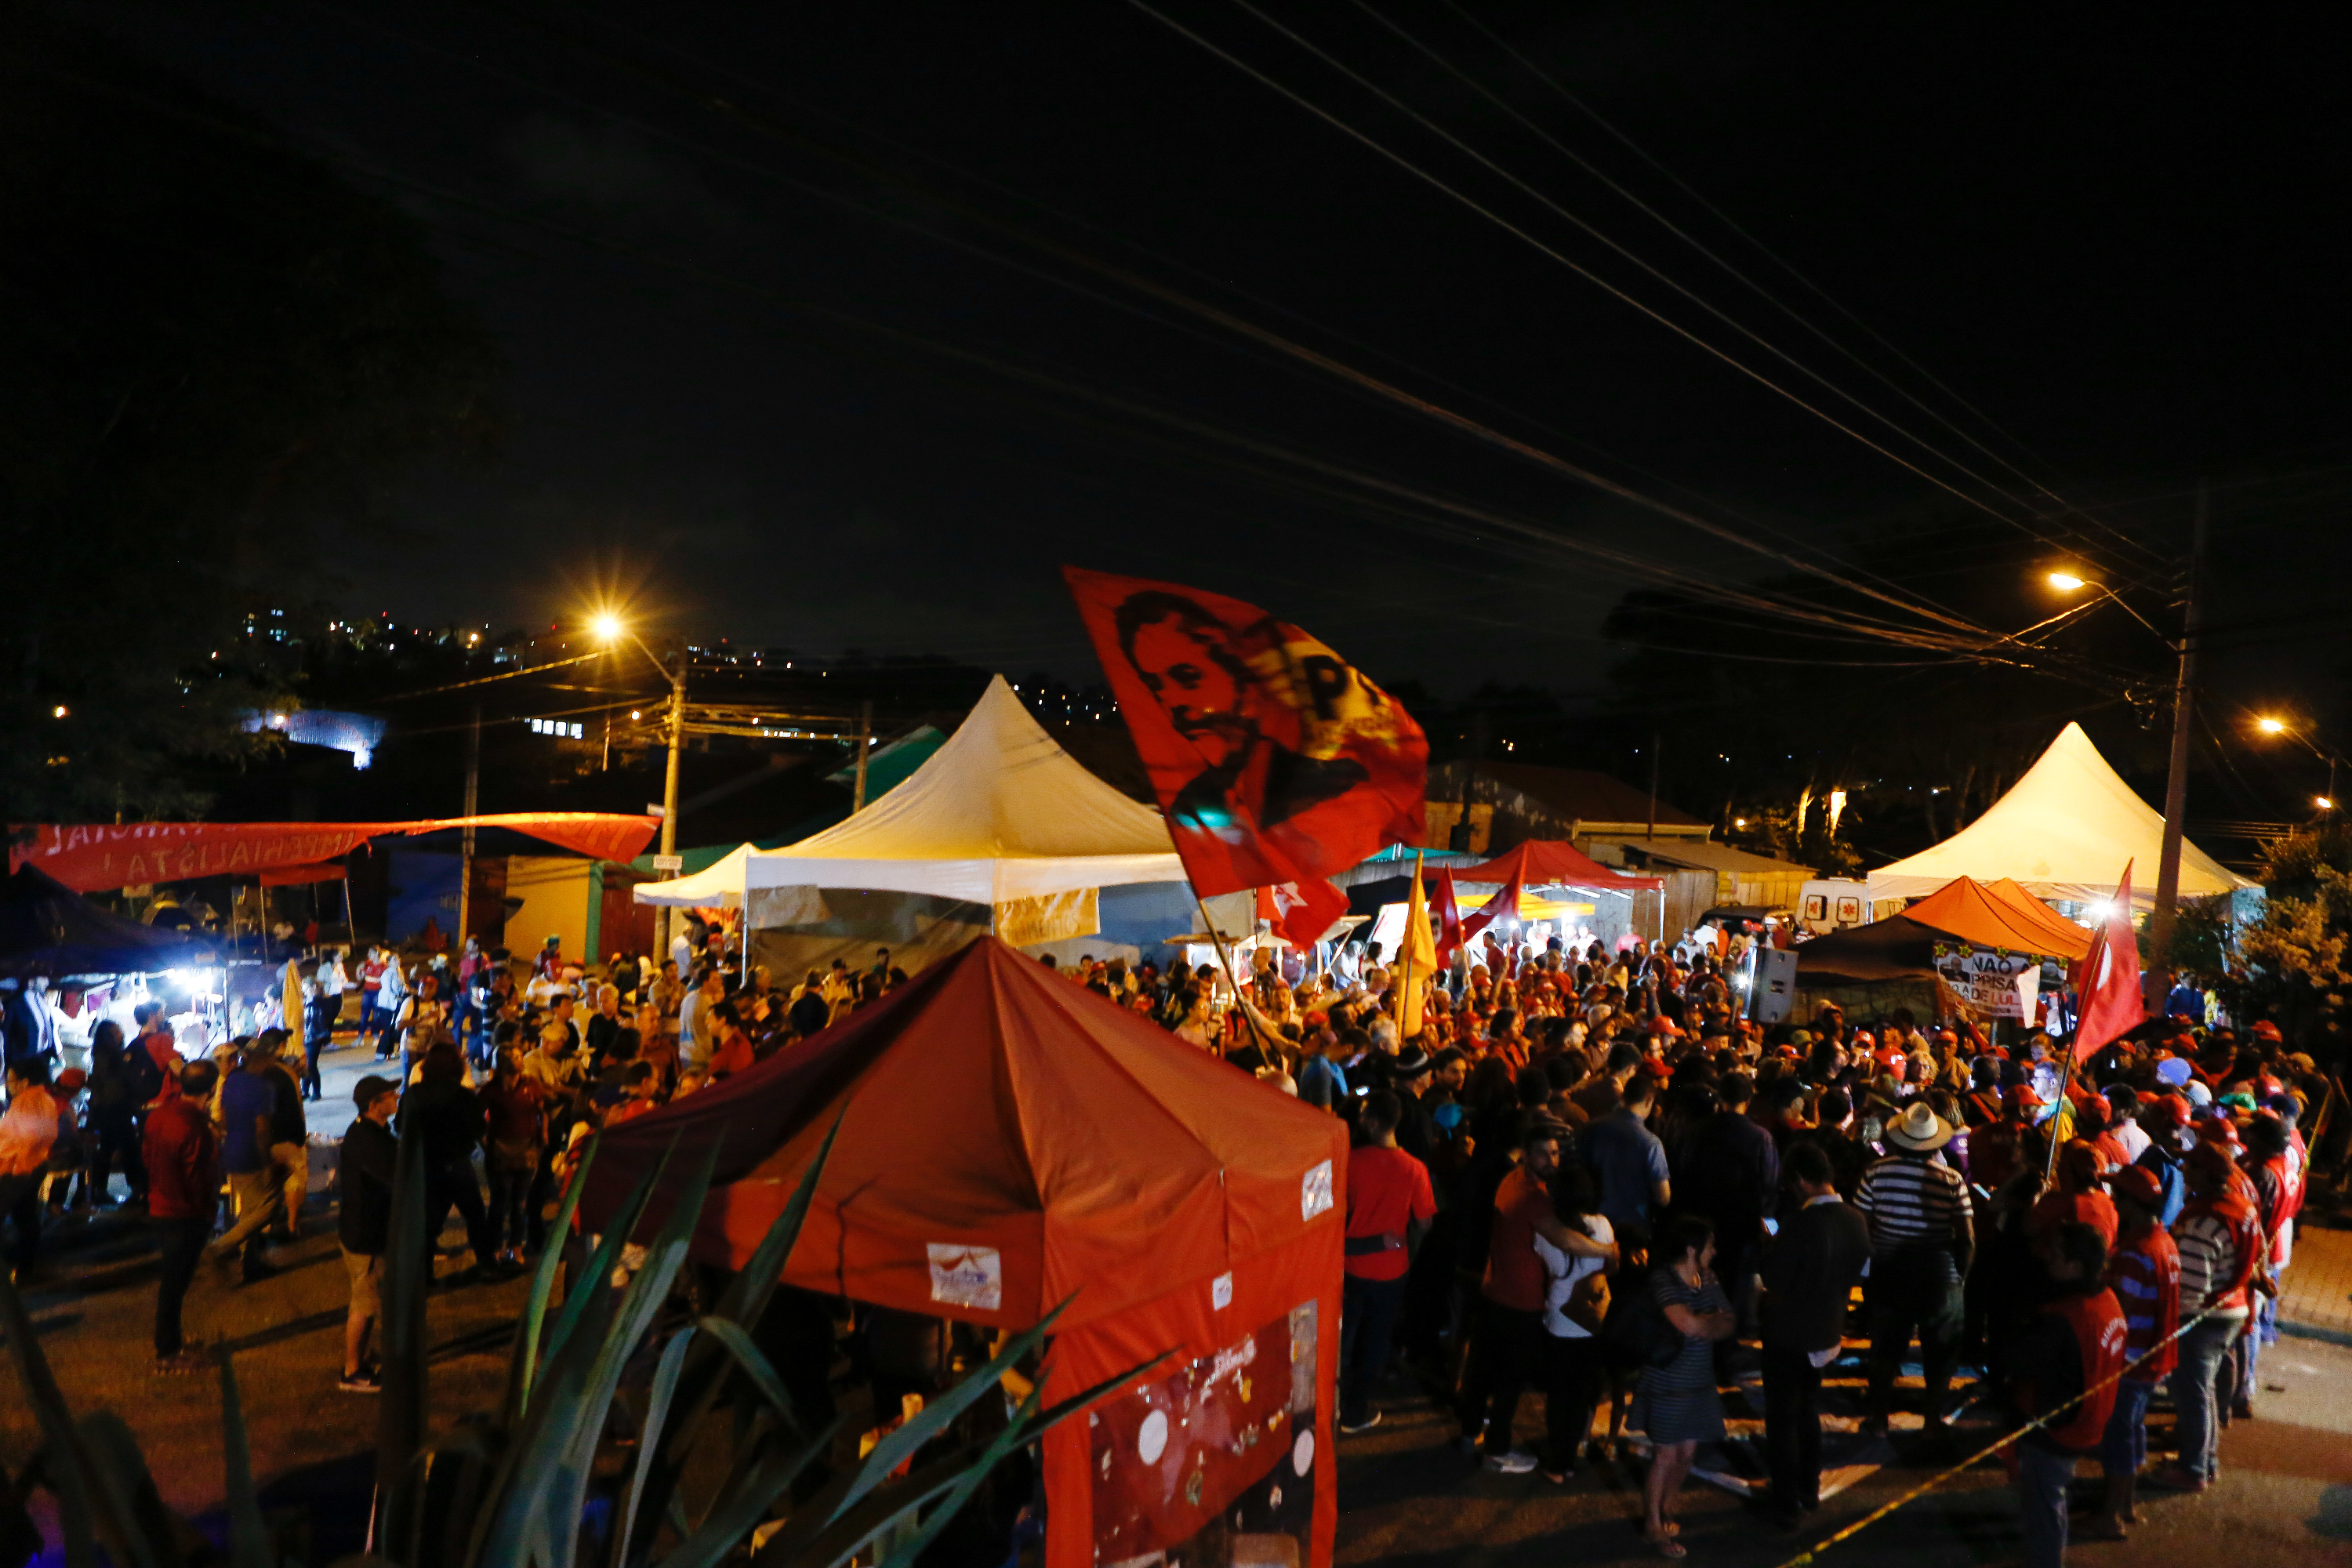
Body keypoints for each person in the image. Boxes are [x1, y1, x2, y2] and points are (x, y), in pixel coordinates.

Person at [1457, 1113, 1613, 1473]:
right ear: (1525, 1154)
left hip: (1495, 1288)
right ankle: (1497, 1451)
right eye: (1543, 1154)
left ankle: (1469, 1434)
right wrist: (1608, 1251)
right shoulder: (1535, 1197)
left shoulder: (1510, 1180)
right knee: (1510, 1379)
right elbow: (1562, 1238)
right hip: (1521, 1299)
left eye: (1556, 1153)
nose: (1551, 1161)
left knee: (1482, 1371)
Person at [1757, 1140, 1871, 1529]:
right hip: (1828, 1329)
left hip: (1789, 1332)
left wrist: (1769, 1242)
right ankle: (1809, 1486)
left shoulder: (1802, 1224)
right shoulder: (1855, 1219)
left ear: (1802, 1181)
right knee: (1808, 1409)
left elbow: (1774, 1279)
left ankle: (1786, 1500)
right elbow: (1861, 1271)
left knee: (1783, 1418)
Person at [2009, 1220, 2126, 1568]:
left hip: (2058, 1429)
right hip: (2092, 1419)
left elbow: (2035, 1372)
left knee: (2045, 1503)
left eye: (2056, 1255)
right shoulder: (2108, 1301)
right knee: (2050, 1496)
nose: (2048, 1259)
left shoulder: (2064, 1318)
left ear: (2074, 1265)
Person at [1853, 1101, 1973, 1441]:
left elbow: (1863, 1227)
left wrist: (1867, 1271)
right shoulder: (1951, 1179)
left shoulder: (1875, 1173)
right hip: (1940, 1277)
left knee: (1885, 1351)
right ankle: (1932, 1422)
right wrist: (1960, 1277)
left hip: (1890, 1273)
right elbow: (1966, 1239)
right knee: (1940, 1354)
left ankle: (1878, 1419)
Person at [2149, 1142, 2261, 1493]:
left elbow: (2191, 1286)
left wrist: (2170, 1324)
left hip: (2203, 1316)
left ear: (2207, 1175)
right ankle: (2203, 1461)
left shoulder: (2205, 1221)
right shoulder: (2239, 1206)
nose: (2184, 1172)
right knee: (2203, 1391)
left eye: (2191, 1167)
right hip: (2230, 1308)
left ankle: (2193, 1468)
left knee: (2192, 1393)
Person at [2085, 1165, 2179, 1541]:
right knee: (2132, 1432)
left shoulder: (2136, 1252)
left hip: (2129, 1362)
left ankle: (2110, 1516)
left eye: (2117, 1197)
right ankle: (2125, 1504)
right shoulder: (2162, 1241)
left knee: (2118, 1438)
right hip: (2152, 1357)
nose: (2113, 1203)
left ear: (2130, 1203)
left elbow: (2117, 1311)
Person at [1639, 1214, 1736, 1558]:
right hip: (1667, 1382)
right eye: (1710, 1245)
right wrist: (1708, 1323)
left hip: (1698, 1382)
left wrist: (1702, 1324)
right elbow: (1691, 1325)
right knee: (1665, 1455)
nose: (1715, 1251)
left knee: (1687, 1454)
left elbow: (1728, 1321)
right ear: (1692, 1249)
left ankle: (1669, 1507)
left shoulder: (1706, 1277)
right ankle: (1653, 1525)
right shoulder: (1663, 1281)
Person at [1340, 1091, 1436, 1434]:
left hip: (1349, 1265)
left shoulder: (1349, 1160)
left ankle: (1329, 1402)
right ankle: (1354, 1411)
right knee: (1376, 1341)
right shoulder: (1414, 1168)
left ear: (1371, 1121)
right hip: (1391, 1269)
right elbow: (1425, 1222)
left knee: (1344, 1335)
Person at [1534, 1163, 1615, 1483]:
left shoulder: (1546, 1231)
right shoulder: (1603, 1227)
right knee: (1581, 1390)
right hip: (1591, 1319)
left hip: (1557, 1317)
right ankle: (1574, 1450)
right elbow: (1609, 1263)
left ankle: (1558, 1462)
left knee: (1559, 1394)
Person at [144, 1061, 221, 1372]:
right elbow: (199, 1180)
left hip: (160, 1205)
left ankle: (171, 1342)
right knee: (174, 1285)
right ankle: (168, 1350)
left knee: (172, 1283)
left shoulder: (159, 1114)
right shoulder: (196, 1128)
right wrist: (207, 1213)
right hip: (185, 1214)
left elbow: (147, 1157)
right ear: (212, 1090)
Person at [205, 1036, 289, 1282]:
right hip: (253, 1154)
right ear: (265, 1058)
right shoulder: (263, 1087)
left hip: (232, 1150)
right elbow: (262, 1128)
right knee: (269, 1206)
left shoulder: (232, 1081)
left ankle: (250, 1264)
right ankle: (221, 1247)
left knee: (249, 1212)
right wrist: (268, 1160)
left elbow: (223, 1118)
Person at [337, 1076, 399, 1392]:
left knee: (369, 1301)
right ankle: (352, 1370)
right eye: (391, 1095)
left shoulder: (372, 1132)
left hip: (365, 1231)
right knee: (363, 1304)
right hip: (364, 1235)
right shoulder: (367, 1140)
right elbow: (394, 1176)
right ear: (375, 1105)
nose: (397, 1097)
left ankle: (360, 1358)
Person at [1582, 1068, 1671, 1250]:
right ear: (1649, 1101)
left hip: (1594, 1222)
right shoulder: (1650, 1143)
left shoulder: (1592, 1128)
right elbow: (1663, 1197)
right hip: (1633, 1226)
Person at [1, 1058, 63, 1277]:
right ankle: (25, 1264)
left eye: (10, 1079)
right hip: (36, 1165)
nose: (7, 1084)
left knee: (18, 1215)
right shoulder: (46, 1098)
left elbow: (27, 1138)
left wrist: (16, 1168)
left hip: (17, 1169)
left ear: (24, 1082)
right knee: (25, 1216)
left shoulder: (26, 1101)